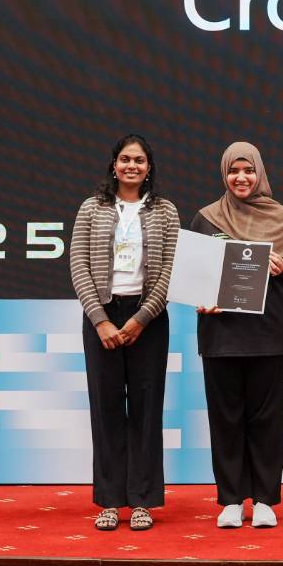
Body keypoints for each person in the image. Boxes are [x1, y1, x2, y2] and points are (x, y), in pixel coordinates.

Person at [190, 141, 283, 529]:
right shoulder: (206, 218)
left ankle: (264, 499)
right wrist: (200, 299)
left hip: (268, 333)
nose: (241, 178)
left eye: (248, 170)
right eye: (234, 171)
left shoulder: (281, 217)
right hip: (221, 335)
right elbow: (194, 275)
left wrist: (282, 266)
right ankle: (230, 500)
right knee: (225, 420)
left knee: (268, 420)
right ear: (224, 174)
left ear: (260, 173)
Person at [70, 134, 179, 532]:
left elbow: (171, 269)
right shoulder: (91, 208)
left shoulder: (165, 211)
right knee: (107, 411)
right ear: (114, 165)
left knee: (147, 412)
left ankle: (143, 501)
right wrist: (100, 320)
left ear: (149, 168)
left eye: (139, 160)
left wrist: (141, 318)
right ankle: (111, 501)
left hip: (148, 319)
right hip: (102, 315)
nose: (132, 166)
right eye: (125, 159)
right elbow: (78, 264)